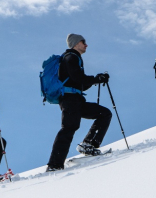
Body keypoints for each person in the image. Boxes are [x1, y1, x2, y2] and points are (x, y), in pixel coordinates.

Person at [46, 34, 112, 171]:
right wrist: (96, 79)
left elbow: (79, 83)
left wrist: (96, 80)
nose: (86, 45)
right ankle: (54, 164)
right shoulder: (71, 57)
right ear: (75, 44)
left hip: (75, 99)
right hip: (69, 100)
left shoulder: (74, 58)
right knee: (69, 128)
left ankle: (88, 144)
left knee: (104, 113)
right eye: (83, 42)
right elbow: (78, 78)